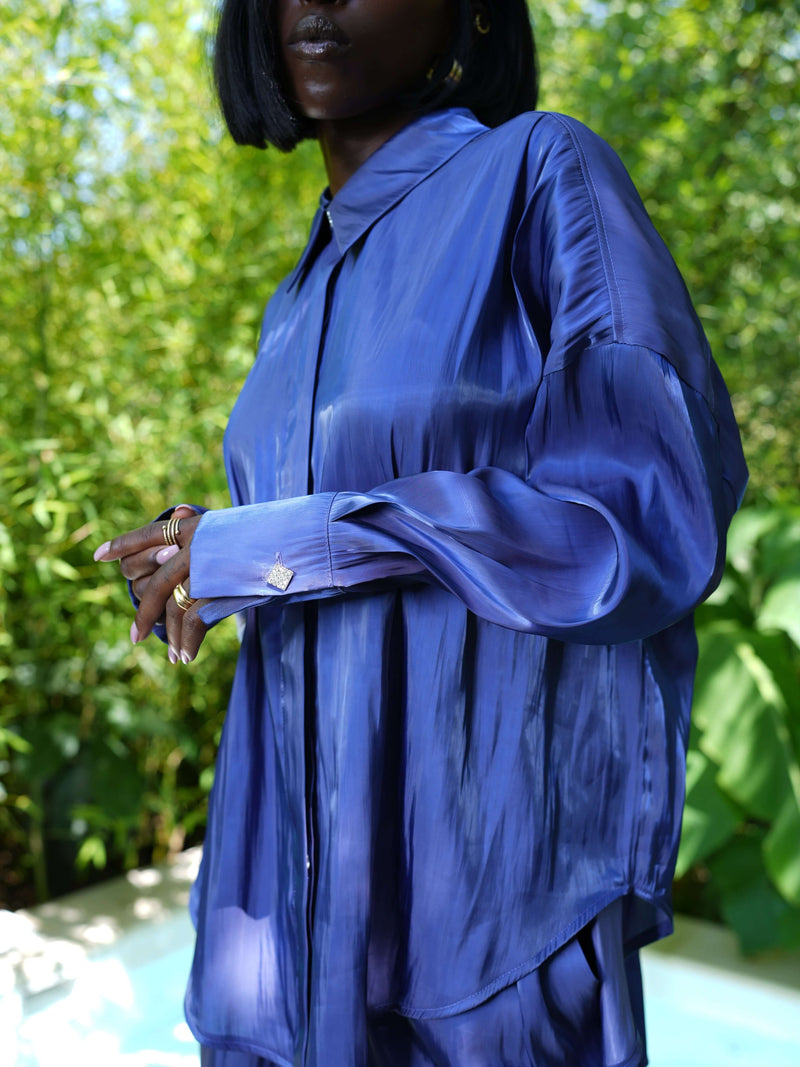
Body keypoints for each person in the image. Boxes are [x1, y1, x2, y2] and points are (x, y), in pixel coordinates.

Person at [94, 1, 747, 1064]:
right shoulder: (291, 300)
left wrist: (279, 544)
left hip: (484, 909)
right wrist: (211, 556)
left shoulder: (540, 173)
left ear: (473, 11)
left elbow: (643, 516)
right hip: (287, 911)